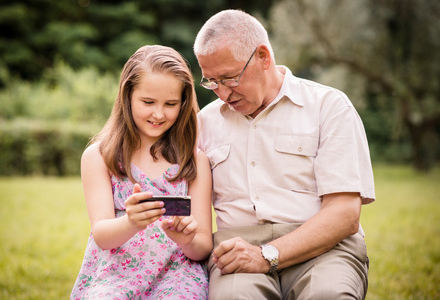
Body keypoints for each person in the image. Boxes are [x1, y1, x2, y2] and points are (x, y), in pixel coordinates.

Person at [193, 9, 375, 300]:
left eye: (229, 78)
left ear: (263, 57)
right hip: (237, 253)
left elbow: (344, 214)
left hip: (325, 250)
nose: (222, 93)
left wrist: (267, 255)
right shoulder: (205, 123)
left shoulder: (328, 106)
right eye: (211, 81)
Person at [71, 45, 213, 299]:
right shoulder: (99, 157)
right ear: (128, 96)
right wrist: (131, 222)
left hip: (177, 274)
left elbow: (202, 247)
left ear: (184, 102)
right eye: (148, 102)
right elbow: (102, 235)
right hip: (115, 273)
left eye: (171, 104)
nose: (158, 114)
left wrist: (187, 239)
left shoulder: (194, 161)